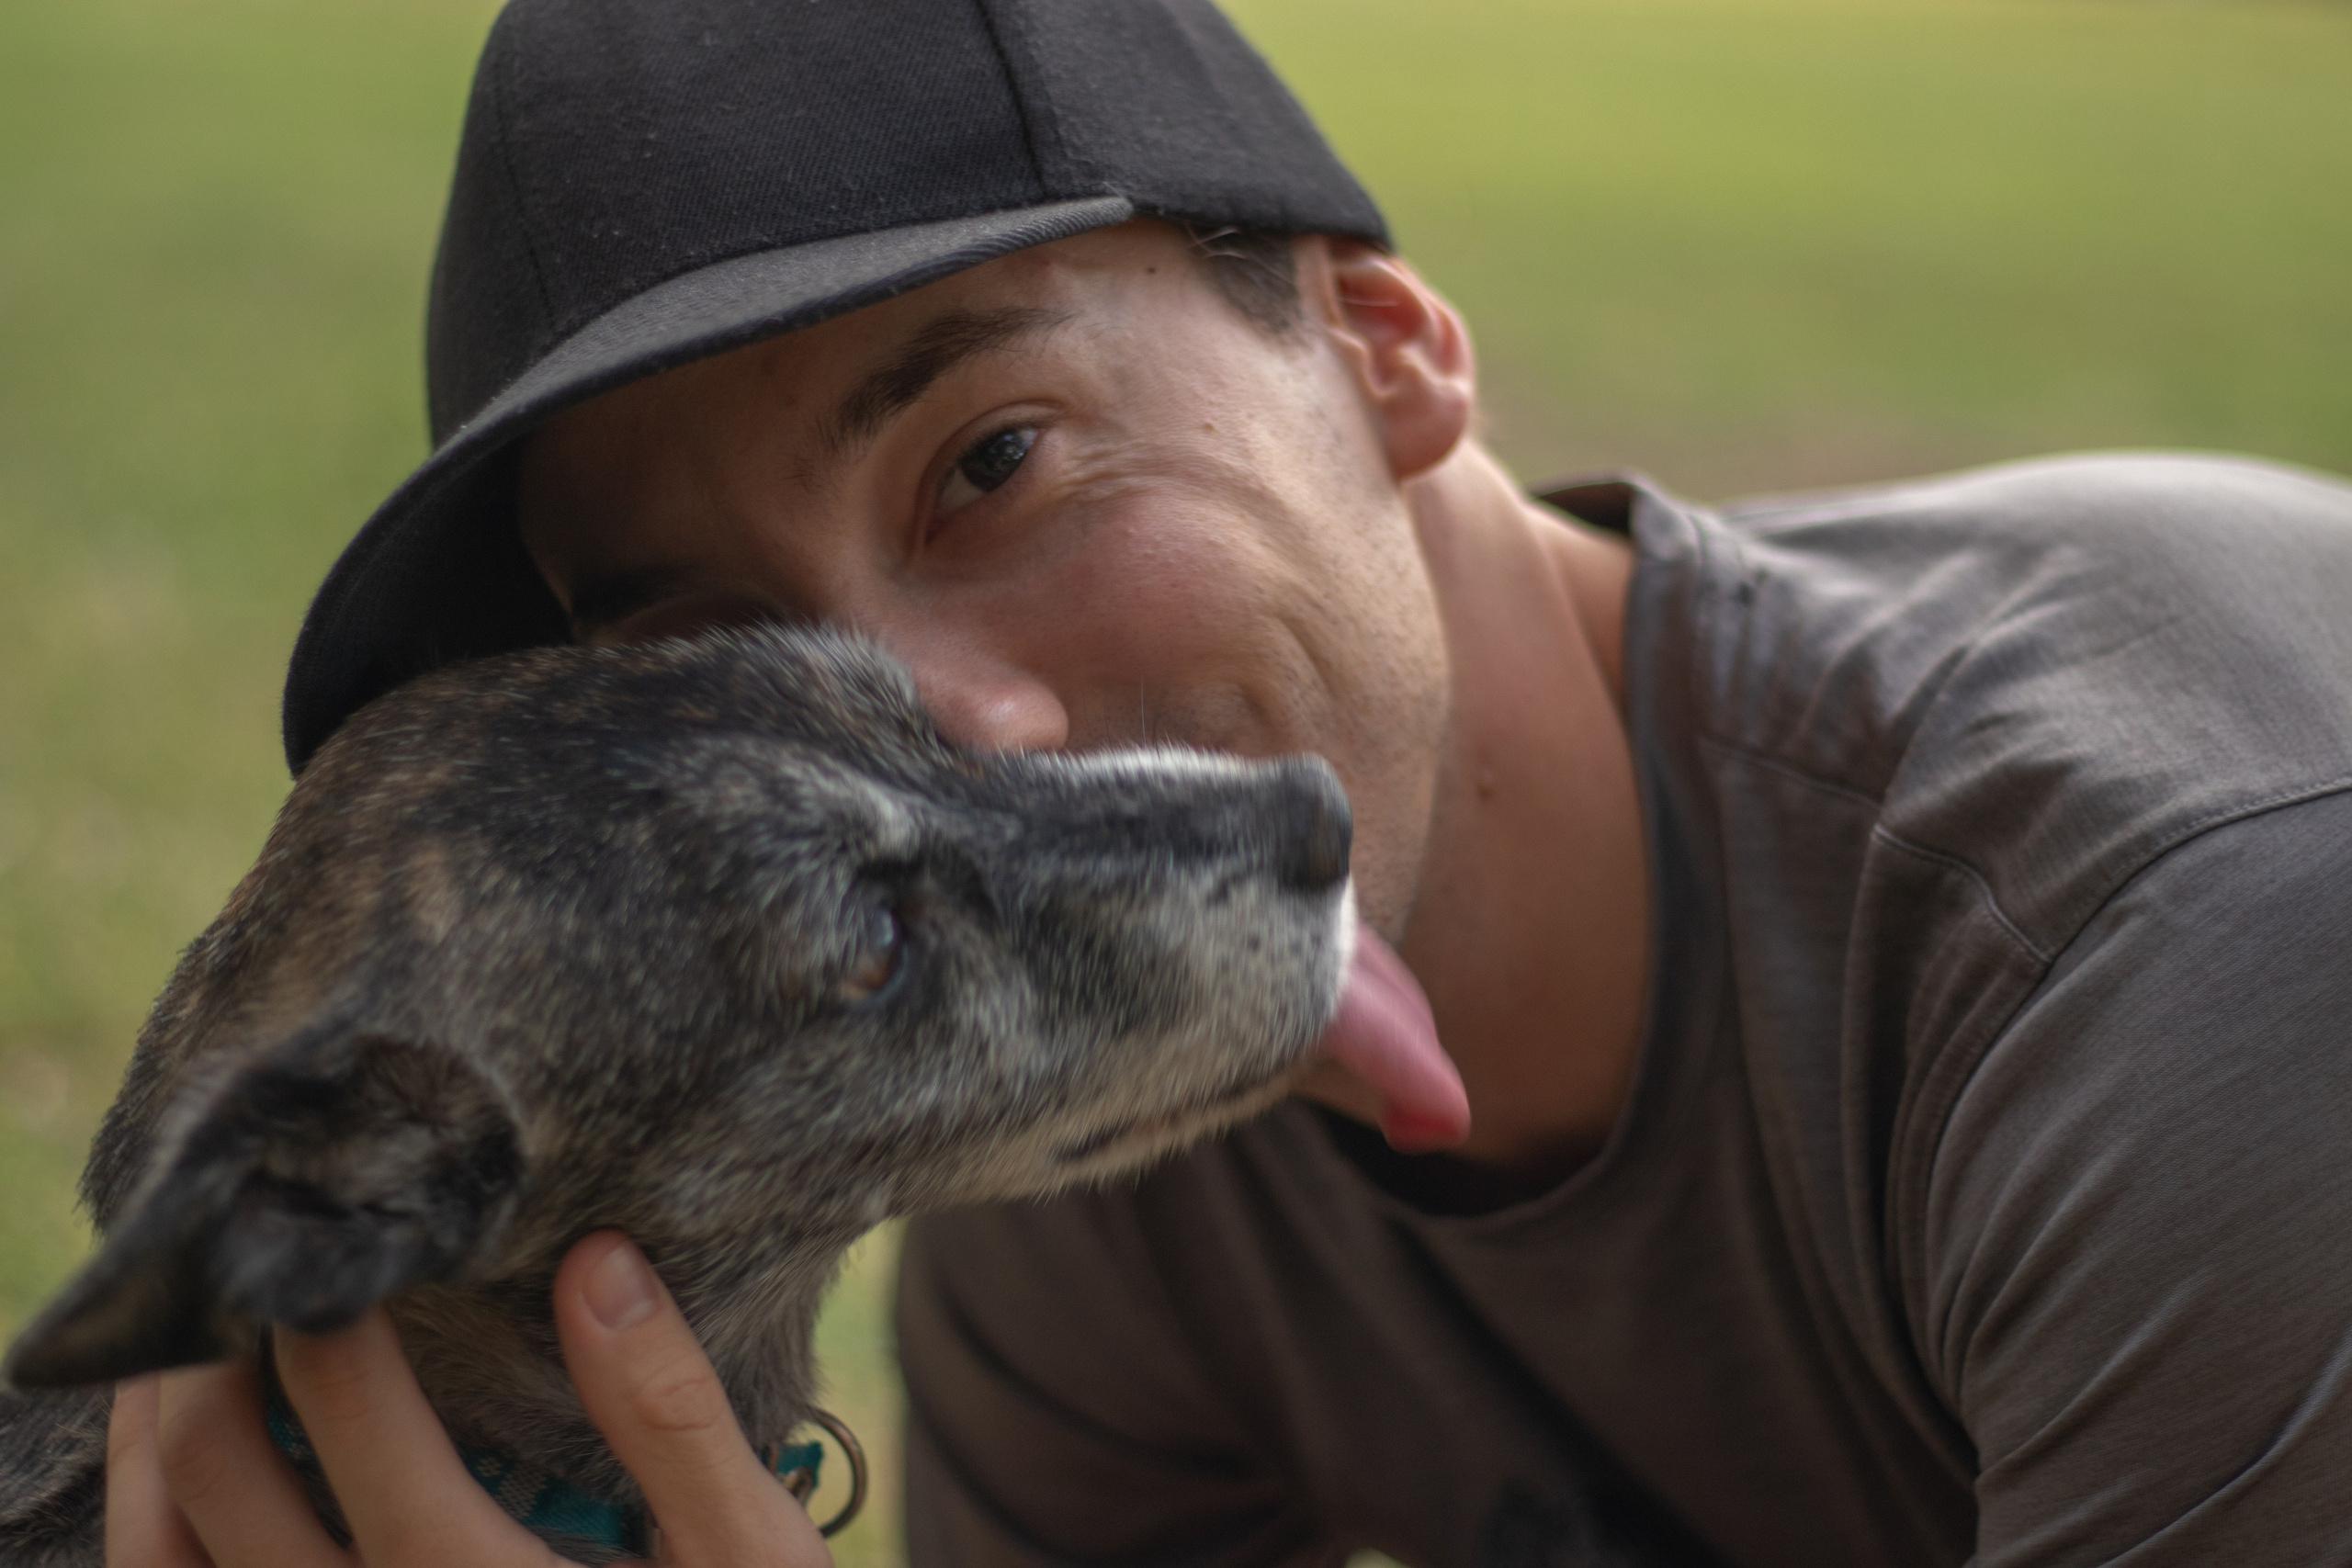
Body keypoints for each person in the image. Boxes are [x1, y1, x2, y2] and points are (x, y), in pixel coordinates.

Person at [106, 0, 2352, 1564]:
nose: (949, 735)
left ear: (1383, 347)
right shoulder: (1113, 1137)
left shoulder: (2200, 944)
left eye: (991, 461)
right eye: (722, 657)